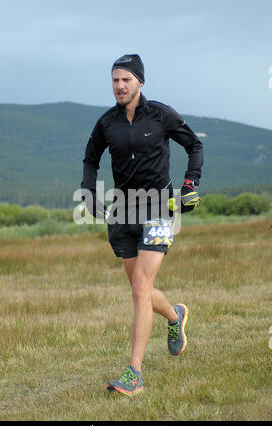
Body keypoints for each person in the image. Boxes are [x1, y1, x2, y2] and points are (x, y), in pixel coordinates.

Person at [81, 54, 203, 396]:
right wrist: (89, 191)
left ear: (140, 83)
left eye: (126, 80)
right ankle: (175, 315)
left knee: (139, 289)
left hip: (158, 207)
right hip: (121, 211)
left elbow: (195, 145)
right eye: (115, 80)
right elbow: (91, 159)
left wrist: (190, 185)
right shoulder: (107, 123)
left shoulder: (161, 115)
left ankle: (134, 373)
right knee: (141, 289)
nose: (119, 86)